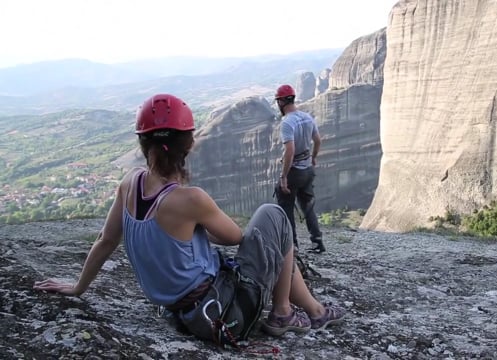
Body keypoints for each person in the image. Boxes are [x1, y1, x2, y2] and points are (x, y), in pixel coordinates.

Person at [33, 93, 345, 345]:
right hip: (223, 314)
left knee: (270, 242)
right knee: (273, 216)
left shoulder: (130, 183)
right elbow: (237, 238)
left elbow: (106, 241)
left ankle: (314, 310)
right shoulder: (190, 199)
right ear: (189, 144)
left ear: (143, 144)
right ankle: (282, 313)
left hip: (181, 313)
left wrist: (78, 287)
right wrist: (199, 226)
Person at [274, 84, 326, 254]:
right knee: (307, 206)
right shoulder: (307, 117)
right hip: (308, 169)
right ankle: (317, 242)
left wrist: (283, 177)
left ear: (281, 101)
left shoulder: (287, 123)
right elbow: (318, 140)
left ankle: (292, 246)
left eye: (278, 101)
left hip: (295, 171)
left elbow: (290, 150)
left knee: (286, 207)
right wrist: (314, 157)